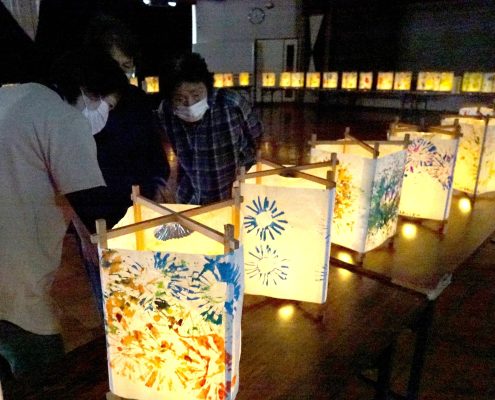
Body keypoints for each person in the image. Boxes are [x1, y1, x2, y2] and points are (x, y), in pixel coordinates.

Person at [0, 49, 128, 383]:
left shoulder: (10, 95)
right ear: (92, 93)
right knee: (45, 375)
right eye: (107, 106)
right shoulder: (62, 118)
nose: (105, 116)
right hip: (13, 289)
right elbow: (97, 211)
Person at [84, 14, 171, 203]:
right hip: (99, 210)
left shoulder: (137, 99)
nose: (120, 73)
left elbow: (155, 154)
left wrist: (159, 183)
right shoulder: (81, 104)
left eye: (126, 65)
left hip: (142, 204)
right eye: (113, 65)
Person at [158, 52, 263, 205]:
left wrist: (243, 167)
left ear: (207, 86)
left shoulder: (232, 104)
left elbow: (256, 136)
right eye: (180, 99)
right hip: (191, 195)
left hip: (231, 193)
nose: (190, 104)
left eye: (196, 95)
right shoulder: (166, 112)